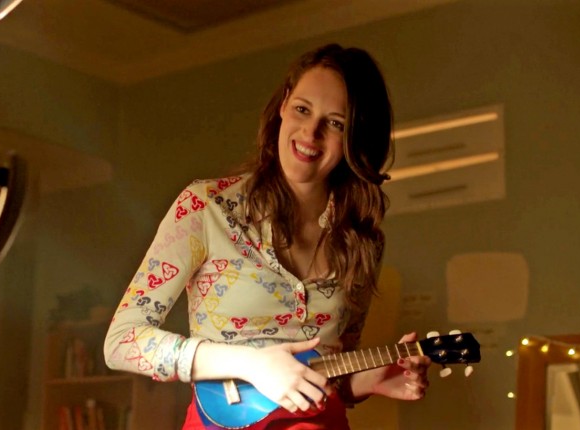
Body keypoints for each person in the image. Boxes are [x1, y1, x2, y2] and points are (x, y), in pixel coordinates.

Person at [104, 43, 431, 429]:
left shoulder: (363, 242)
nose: (311, 133)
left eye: (336, 123)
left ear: (355, 137)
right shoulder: (205, 207)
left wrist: (372, 380)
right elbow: (122, 342)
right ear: (284, 105)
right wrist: (251, 364)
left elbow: (327, 373)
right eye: (303, 109)